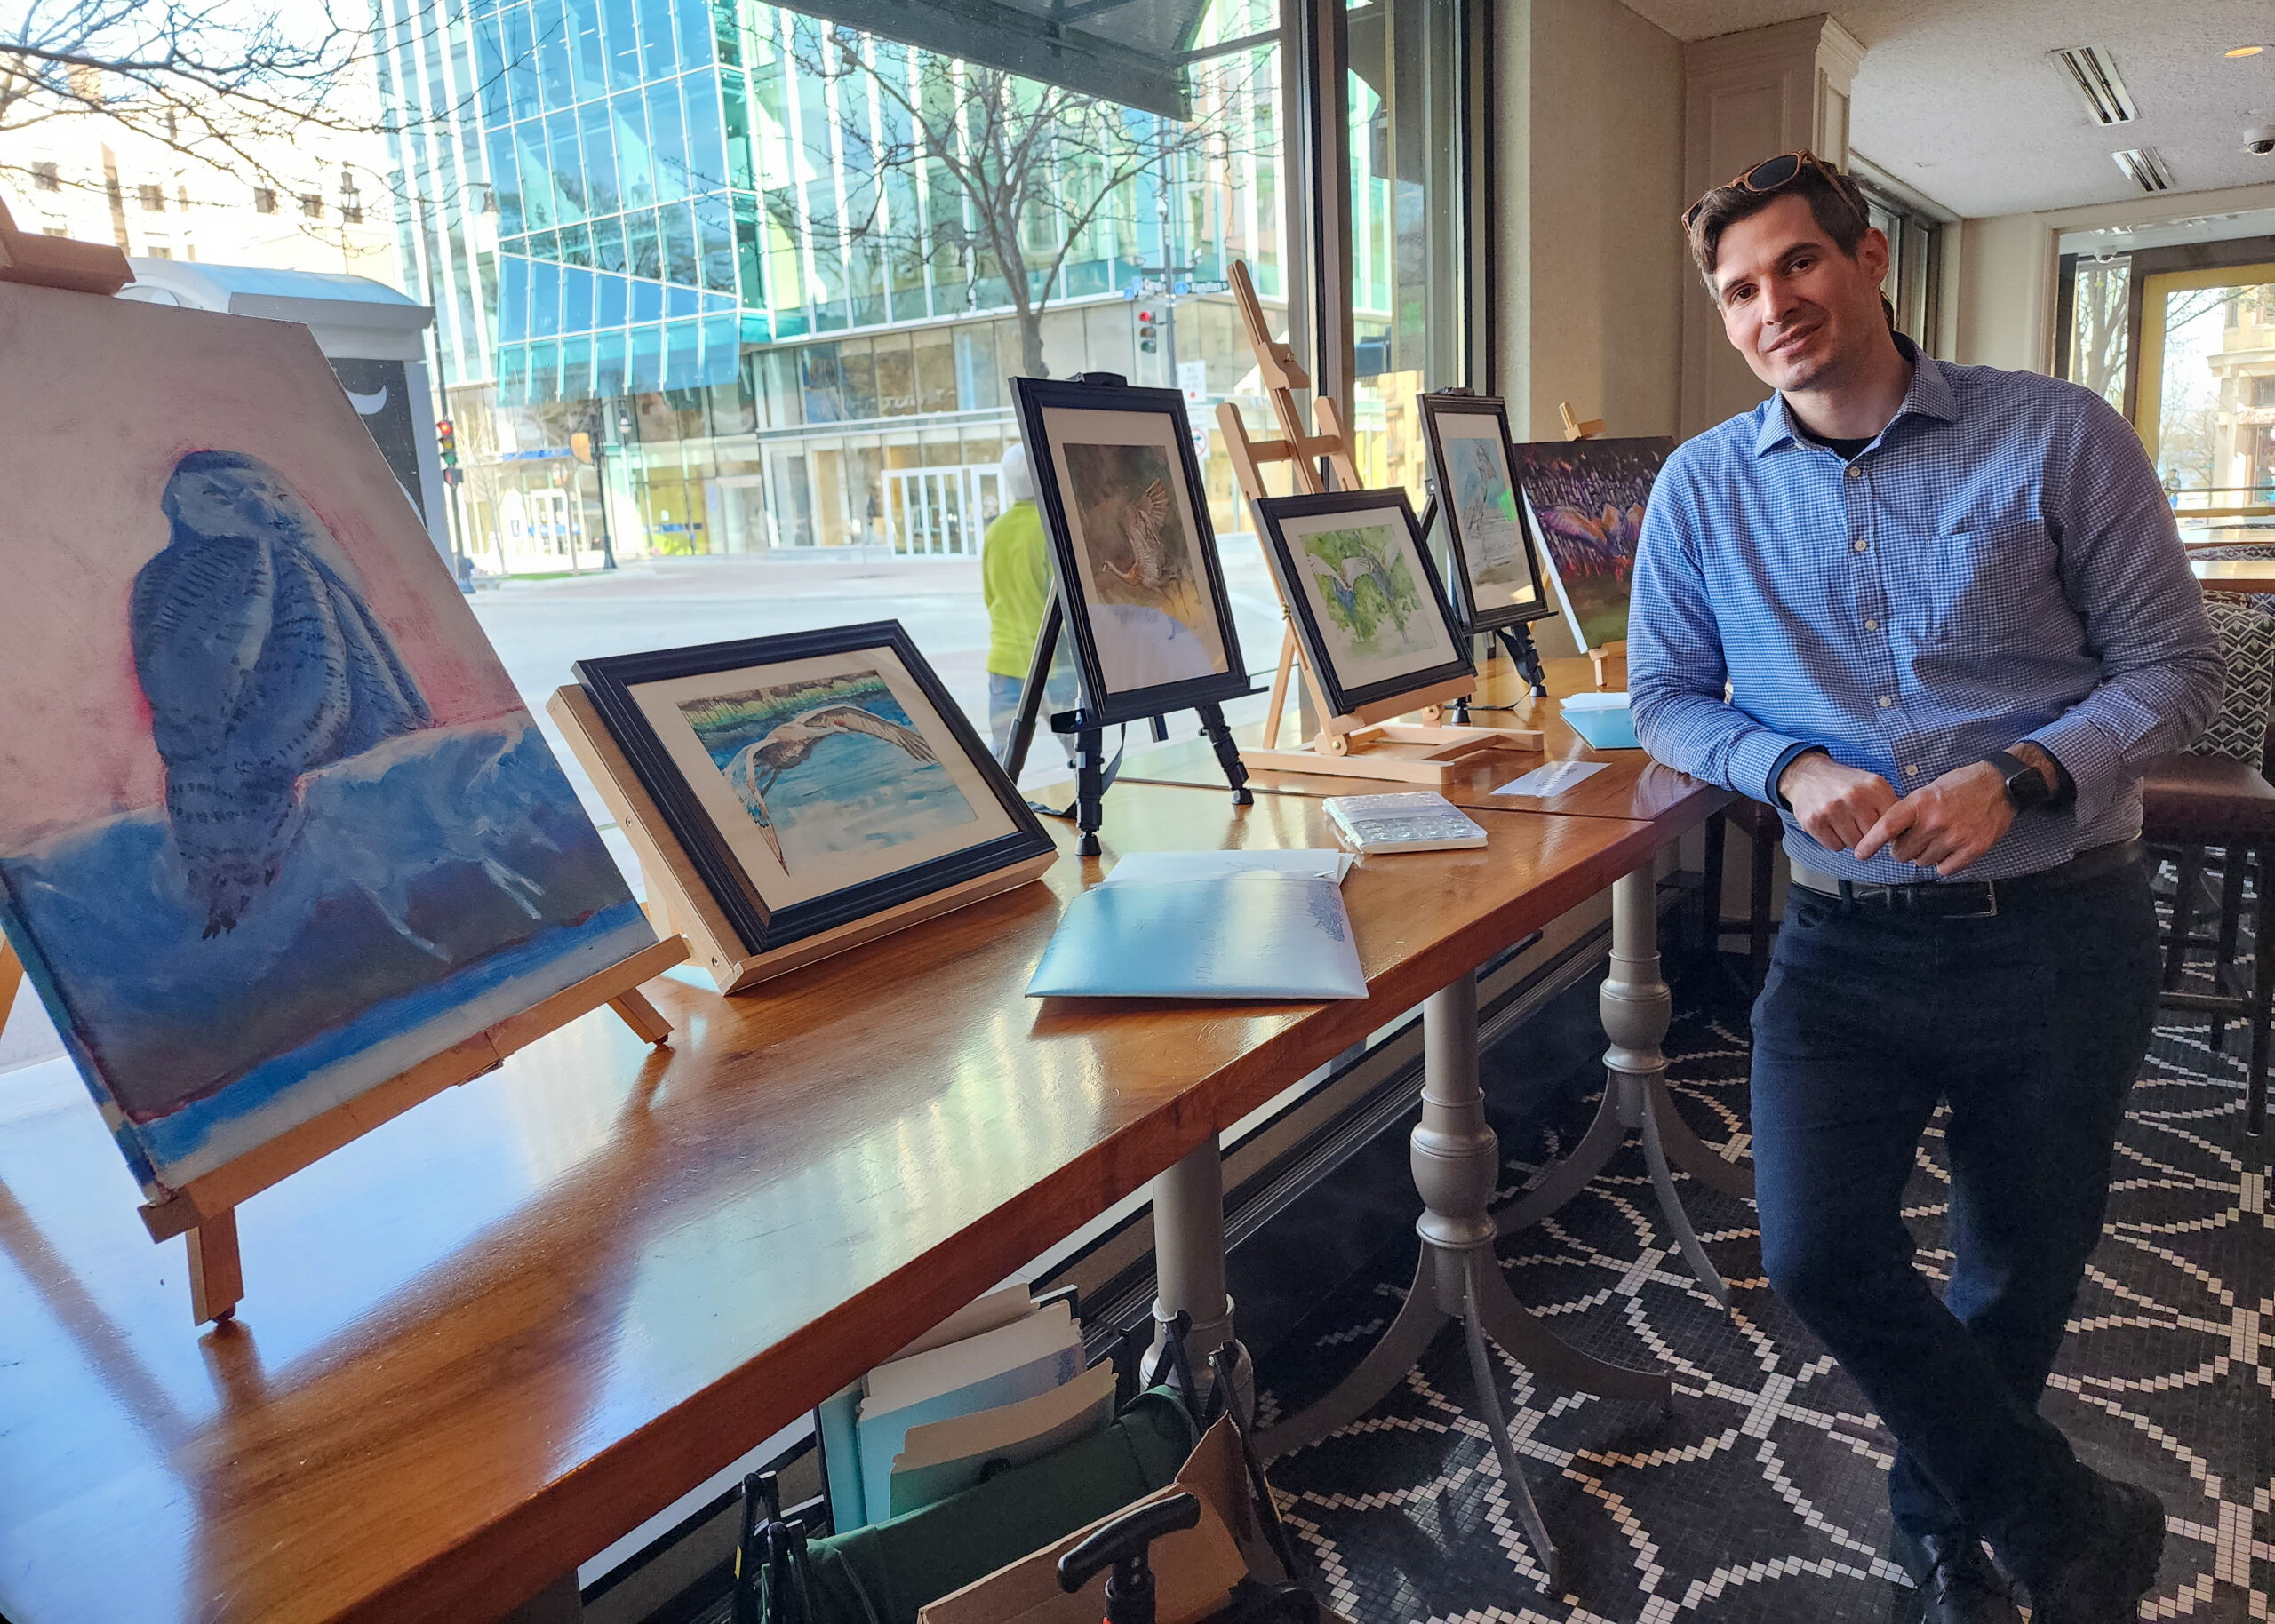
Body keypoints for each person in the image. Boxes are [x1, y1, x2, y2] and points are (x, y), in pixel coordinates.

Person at [1628, 151, 2221, 1624]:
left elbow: (2174, 669)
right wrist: (1780, 768)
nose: (1774, 306)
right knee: (1821, 1248)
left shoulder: (2057, 435)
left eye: (1797, 267)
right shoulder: (1701, 489)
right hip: (1843, 942)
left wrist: (2020, 771)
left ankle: (1943, 1530)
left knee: (2015, 1271)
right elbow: (1666, 700)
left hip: (2064, 931)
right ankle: (2053, 1505)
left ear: (1870, 258)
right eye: (1740, 288)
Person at [981, 442, 1078, 760]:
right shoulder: (1052, 528)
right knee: (1080, 755)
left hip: (1005, 663)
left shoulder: (995, 532)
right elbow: (1065, 602)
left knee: (1003, 760)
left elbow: (990, 595)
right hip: (1052, 663)